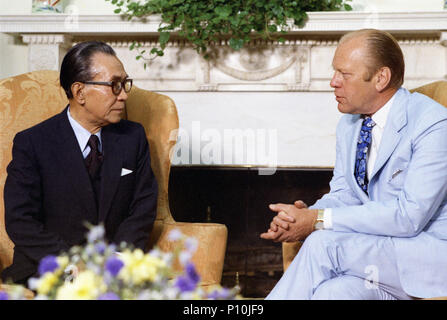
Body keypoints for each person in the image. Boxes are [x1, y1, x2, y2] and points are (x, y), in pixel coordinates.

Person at [261, 29, 447, 300]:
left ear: (381, 78)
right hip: (377, 265)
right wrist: (302, 218)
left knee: (323, 244)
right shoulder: (350, 124)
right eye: (334, 72)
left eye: (344, 74)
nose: (333, 82)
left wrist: (316, 222)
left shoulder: (433, 125)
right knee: (331, 293)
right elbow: (345, 195)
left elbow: (409, 217)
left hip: (427, 259)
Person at [1, 41, 158, 286]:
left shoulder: (133, 137)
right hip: (48, 269)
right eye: (114, 85)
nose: (125, 94)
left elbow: (143, 207)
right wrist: (71, 262)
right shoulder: (32, 143)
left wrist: (115, 260)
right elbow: (20, 219)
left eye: (125, 83)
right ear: (79, 91)